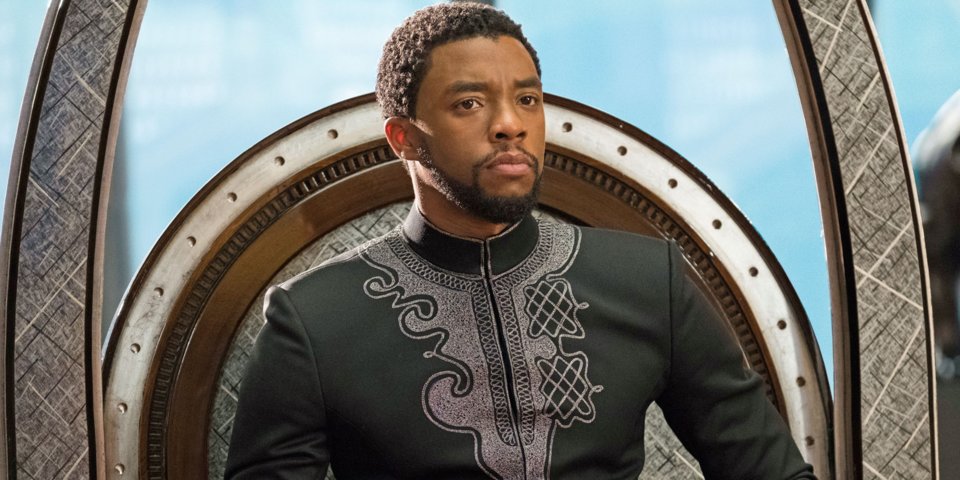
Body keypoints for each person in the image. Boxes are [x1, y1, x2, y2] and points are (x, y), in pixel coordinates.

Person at [225, 3, 817, 479]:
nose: (510, 124)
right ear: (404, 138)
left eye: (527, 100)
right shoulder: (313, 320)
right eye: (469, 103)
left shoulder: (649, 281)